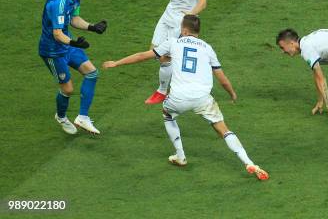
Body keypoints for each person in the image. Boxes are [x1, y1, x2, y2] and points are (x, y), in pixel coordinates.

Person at [102, 15, 269, 180]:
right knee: (223, 129)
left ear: (184, 30)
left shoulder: (173, 42)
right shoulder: (207, 48)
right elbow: (221, 77)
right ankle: (248, 162)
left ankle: (180, 155)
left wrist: (116, 63)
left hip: (178, 97)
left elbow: (141, 56)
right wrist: (231, 93)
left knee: (167, 114)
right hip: (203, 98)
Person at [116, 0, 207, 104]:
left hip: (181, 19)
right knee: (155, 51)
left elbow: (202, 2)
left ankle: (163, 91)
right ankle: (174, 82)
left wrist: (189, 17)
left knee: (165, 56)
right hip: (168, 14)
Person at [39, 0, 107, 135]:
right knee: (68, 89)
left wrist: (92, 27)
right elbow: (57, 34)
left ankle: (82, 117)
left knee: (92, 73)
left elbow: (73, 19)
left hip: (67, 44)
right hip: (53, 51)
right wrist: (73, 42)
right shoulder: (58, 4)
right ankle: (61, 117)